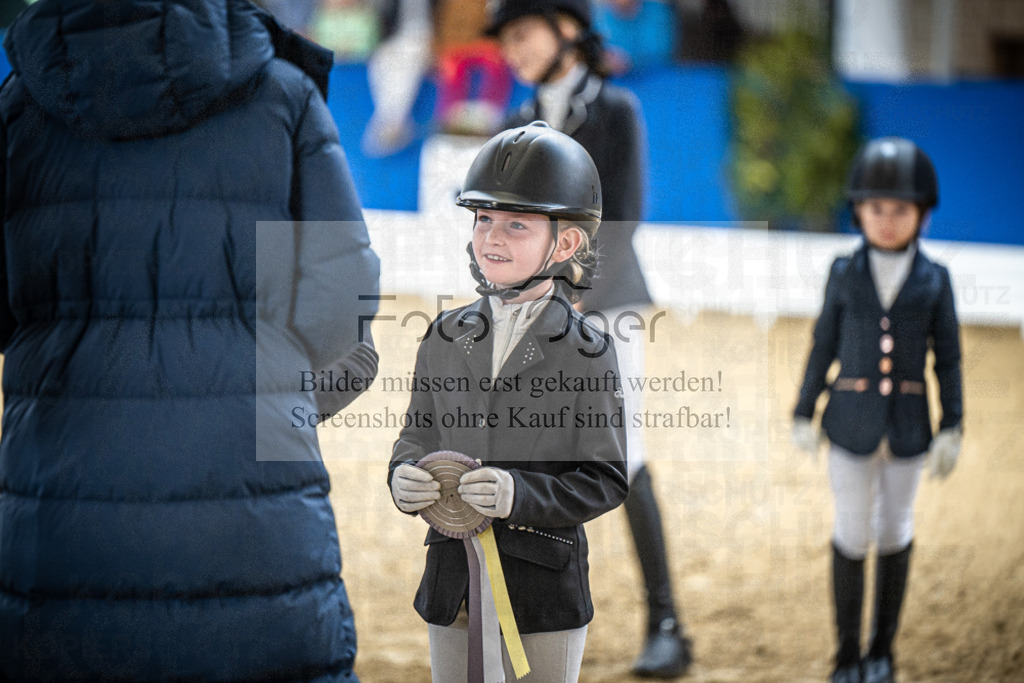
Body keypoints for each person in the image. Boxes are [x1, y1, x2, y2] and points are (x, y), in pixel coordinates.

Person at [0, 0, 380, 680]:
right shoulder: (282, 92)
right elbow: (341, 304)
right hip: (255, 524)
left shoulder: (23, 104)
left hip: (58, 522)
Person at [487, 0, 693, 677]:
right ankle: (525, 612)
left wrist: (563, 307)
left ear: (567, 30)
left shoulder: (615, 112)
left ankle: (666, 622)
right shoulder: (516, 127)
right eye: (507, 39)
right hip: (535, 313)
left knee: (623, 455)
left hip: (606, 310)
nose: (512, 49)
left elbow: (622, 216)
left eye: (522, 33)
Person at [389, 121, 628, 682]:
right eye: (484, 220)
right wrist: (401, 475)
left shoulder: (587, 351)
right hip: (452, 584)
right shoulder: (444, 335)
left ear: (565, 243)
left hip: (541, 590)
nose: (492, 238)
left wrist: (519, 493)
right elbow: (417, 437)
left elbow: (604, 478)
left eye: (516, 225)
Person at [792, 137, 963, 683]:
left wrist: (953, 425)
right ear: (859, 211)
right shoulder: (844, 271)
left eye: (901, 211)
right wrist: (803, 409)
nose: (888, 221)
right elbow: (824, 343)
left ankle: (882, 651)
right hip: (848, 423)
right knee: (850, 530)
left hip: (910, 429)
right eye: (877, 209)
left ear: (922, 215)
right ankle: (846, 654)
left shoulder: (936, 279)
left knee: (895, 529)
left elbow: (949, 359)